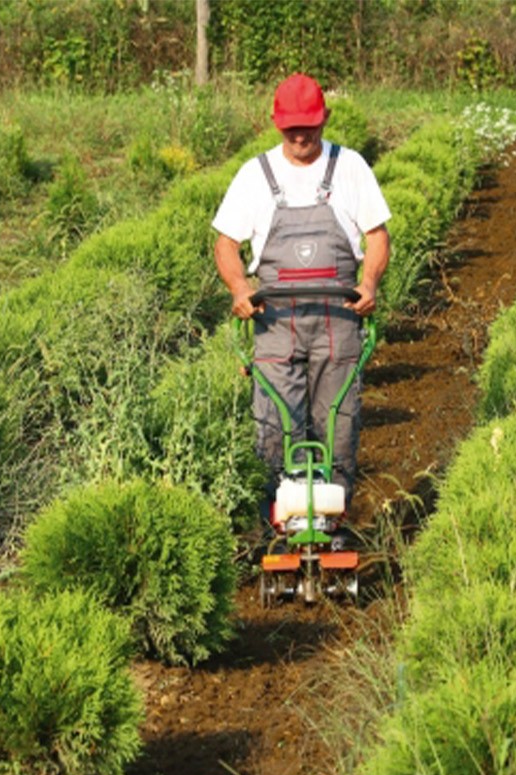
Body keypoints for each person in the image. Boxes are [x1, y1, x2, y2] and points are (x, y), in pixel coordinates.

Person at [212, 72, 391, 523]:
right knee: (275, 428)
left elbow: (377, 235)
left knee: (339, 425)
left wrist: (368, 283)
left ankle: (333, 522)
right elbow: (226, 242)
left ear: (324, 118)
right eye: (290, 127)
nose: (299, 136)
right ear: (276, 122)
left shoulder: (349, 168)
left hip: (338, 321)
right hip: (275, 323)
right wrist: (239, 288)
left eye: (308, 125)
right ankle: (277, 523)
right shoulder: (256, 174)